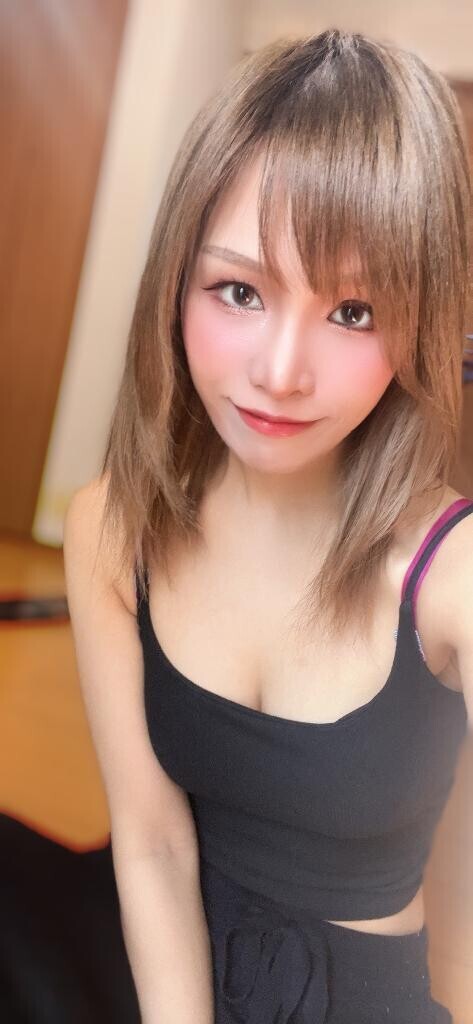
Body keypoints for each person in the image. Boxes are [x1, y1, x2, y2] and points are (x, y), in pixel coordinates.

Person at [63, 27, 473, 1024]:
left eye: (352, 311)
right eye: (239, 291)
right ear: (176, 283)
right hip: (172, 976)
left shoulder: (450, 575)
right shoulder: (112, 528)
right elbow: (153, 844)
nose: (279, 371)